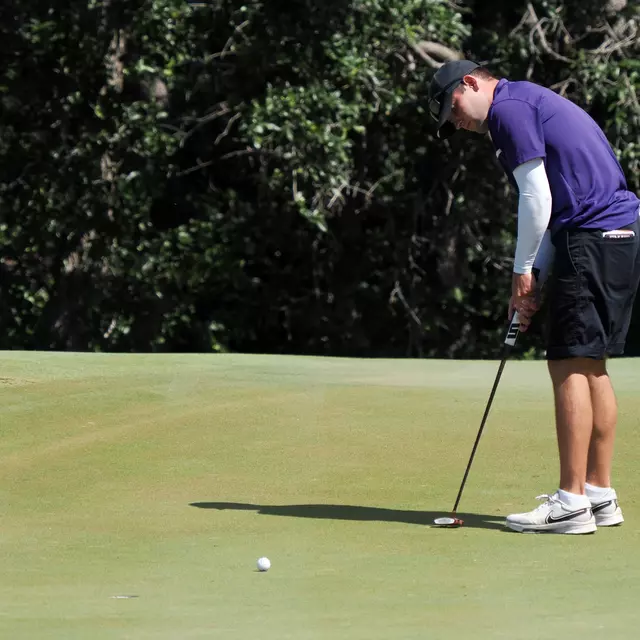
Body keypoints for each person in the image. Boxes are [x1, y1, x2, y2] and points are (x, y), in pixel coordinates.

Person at [428, 60, 640, 534]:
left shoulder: (508, 109)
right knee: (591, 363)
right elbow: (555, 208)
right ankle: (599, 495)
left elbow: (535, 197)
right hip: (619, 235)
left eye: (453, 107)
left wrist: (521, 272)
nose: (456, 121)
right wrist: (537, 277)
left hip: (590, 235)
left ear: (470, 82)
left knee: (567, 363)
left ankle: (570, 503)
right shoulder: (529, 100)